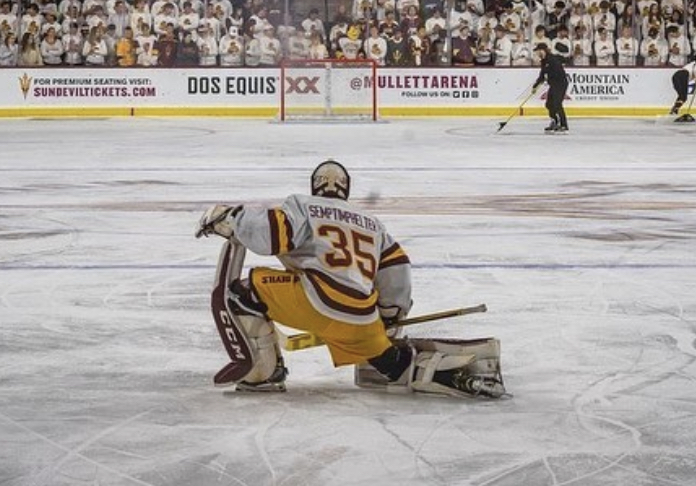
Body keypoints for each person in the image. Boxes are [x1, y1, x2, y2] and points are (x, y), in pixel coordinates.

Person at [194, 160, 504, 398]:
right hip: (362, 316)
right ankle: (435, 369)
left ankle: (263, 374)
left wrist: (230, 218)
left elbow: (270, 235)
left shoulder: (304, 205)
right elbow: (397, 272)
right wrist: (389, 317)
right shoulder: (372, 224)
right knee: (388, 361)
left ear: (316, 186)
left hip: (317, 301)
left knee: (245, 292)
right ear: (346, 190)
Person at [530, 41, 569, 133]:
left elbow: (558, 72)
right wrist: (535, 86)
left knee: (557, 104)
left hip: (560, 83)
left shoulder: (552, 59)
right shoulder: (544, 61)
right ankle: (554, 121)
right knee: (549, 104)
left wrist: (549, 76)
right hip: (553, 84)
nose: (537, 53)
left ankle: (564, 125)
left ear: (543, 50)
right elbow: (542, 75)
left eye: (538, 51)